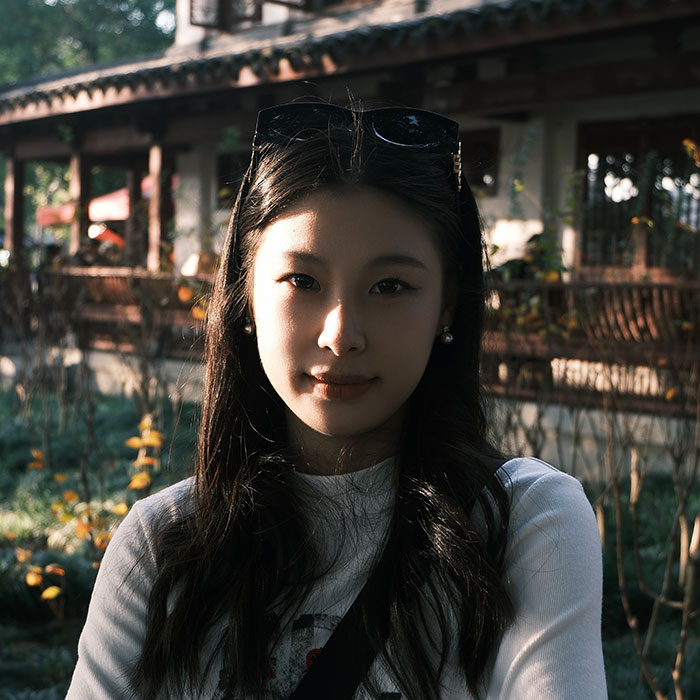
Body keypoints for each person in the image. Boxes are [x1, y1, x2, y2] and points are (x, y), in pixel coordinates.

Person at [67, 102, 607, 700]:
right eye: (302, 281)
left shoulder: (523, 524)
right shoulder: (162, 545)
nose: (341, 334)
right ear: (246, 294)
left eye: (390, 286)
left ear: (448, 305)